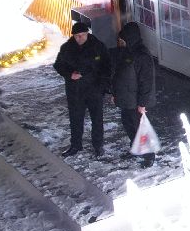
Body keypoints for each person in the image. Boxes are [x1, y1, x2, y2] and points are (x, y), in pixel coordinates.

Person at [53, 19, 110, 156]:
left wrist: (102, 86)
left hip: (94, 90)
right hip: (75, 91)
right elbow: (58, 65)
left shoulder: (98, 46)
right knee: (75, 119)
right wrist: (69, 74)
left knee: (97, 119)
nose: (80, 38)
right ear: (73, 36)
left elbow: (107, 66)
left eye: (82, 35)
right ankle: (76, 145)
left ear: (87, 33)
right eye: (77, 36)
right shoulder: (67, 48)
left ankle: (98, 145)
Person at [109, 22, 156, 166]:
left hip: (136, 102)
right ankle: (136, 148)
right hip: (126, 99)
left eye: (122, 39)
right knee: (129, 125)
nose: (120, 42)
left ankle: (149, 155)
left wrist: (142, 104)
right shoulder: (127, 52)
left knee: (139, 128)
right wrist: (115, 93)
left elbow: (146, 82)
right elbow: (119, 75)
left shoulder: (142, 56)